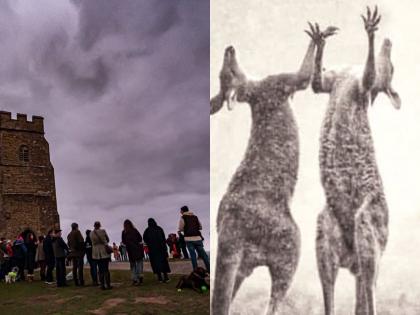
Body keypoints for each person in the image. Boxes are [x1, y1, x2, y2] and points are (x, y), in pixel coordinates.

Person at [178, 205, 210, 272]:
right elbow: (200, 227)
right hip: (198, 238)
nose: (180, 212)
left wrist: (184, 230)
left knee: (193, 256)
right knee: (204, 255)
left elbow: (180, 228)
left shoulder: (183, 218)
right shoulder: (195, 217)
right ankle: (209, 269)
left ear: (183, 211)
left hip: (189, 239)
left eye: (181, 211)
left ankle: (196, 271)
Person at [143, 218, 171, 283]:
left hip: (153, 250)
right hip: (161, 248)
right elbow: (163, 238)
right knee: (163, 262)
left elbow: (145, 239)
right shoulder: (159, 229)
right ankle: (166, 277)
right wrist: (165, 248)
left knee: (156, 263)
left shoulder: (147, 230)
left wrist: (149, 243)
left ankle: (160, 278)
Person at [121, 219, 144, 286]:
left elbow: (123, 241)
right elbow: (140, 238)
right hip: (137, 249)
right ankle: (140, 277)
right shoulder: (134, 230)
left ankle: (135, 279)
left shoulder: (124, 232)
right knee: (139, 263)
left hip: (130, 250)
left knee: (133, 265)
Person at [90, 221, 112, 290]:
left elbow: (92, 242)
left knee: (100, 269)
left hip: (96, 253)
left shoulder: (91, 233)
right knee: (106, 269)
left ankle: (102, 285)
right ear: (99, 225)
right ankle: (108, 285)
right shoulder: (103, 231)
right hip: (104, 251)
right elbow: (107, 240)